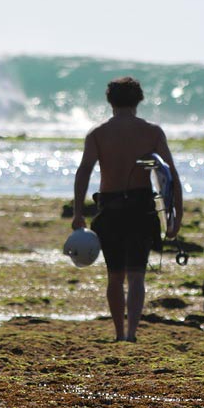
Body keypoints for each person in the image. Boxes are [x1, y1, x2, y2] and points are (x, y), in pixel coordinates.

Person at [72, 77, 183, 342]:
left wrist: (78, 211)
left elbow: (83, 172)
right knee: (136, 277)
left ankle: (118, 332)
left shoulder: (98, 134)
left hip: (109, 210)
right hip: (140, 210)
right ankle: (131, 333)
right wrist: (175, 216)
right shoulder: (152, 132)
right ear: (139, 100)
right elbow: (169, 176)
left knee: (114, 277)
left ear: (110, 101)